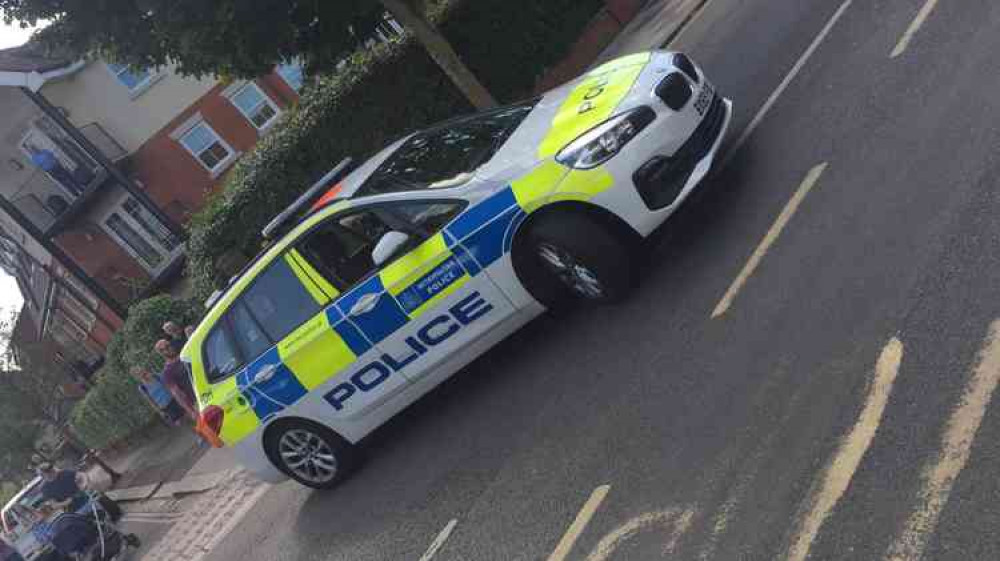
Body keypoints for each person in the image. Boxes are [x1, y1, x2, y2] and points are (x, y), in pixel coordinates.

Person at [36, 463, 121, 522]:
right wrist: (66, 502)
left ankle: (115, 520)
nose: (52, 472)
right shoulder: (45, 489)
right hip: (75, 510)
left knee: (104, 511)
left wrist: (85, 483)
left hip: (87, 499)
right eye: (48, 472)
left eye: (51, 469)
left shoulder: (64, 473)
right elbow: (54, 504)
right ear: (43, 476)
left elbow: (82, 475)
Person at [155, 339, 198, 421]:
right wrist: (191, 411)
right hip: (197, 400)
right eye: (166, 348)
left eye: (169, 345)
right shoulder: (167, 372)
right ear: (162, 353)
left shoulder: (185, 355)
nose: (169, 348)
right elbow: (177, 394)